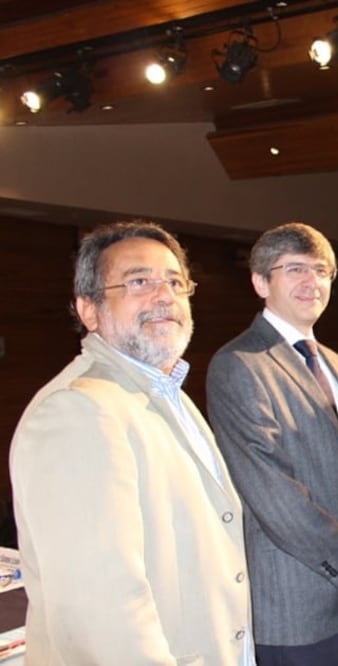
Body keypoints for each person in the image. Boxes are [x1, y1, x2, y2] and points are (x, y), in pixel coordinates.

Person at [9, 221, 254, 663]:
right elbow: (101, 607)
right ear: (89, 310)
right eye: (139, 281)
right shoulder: (77, 410)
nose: (164, 295)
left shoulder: (167, 393)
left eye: (175, 282)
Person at [206, 222, 338, 666]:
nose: (311, 282)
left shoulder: (335, 362)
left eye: (321, 270)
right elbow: (273, 494)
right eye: (294, 269)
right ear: (260, 282)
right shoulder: (238, 365)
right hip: (297, 609)